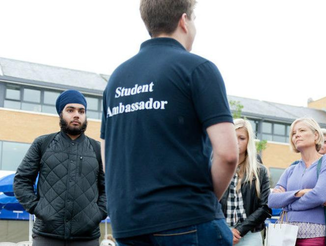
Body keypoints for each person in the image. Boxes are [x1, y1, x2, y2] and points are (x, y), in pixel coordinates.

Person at [100, 0, 238, 245]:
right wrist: (205, 201)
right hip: (186, 218)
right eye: (194, 19)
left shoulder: (116, 78)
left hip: (128, 223)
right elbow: (228, 154)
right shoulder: (198, 68)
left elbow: (106, 153)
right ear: (184, 21)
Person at [13, 90, 107, 245]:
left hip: (87, 238)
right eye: (70, 110)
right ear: (61, 113)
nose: (76, 115)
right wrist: (38, 208)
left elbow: (109, 188)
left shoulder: (97, 149)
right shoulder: (42, 144)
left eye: (81, 111)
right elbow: (21, 181)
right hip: (46, 236)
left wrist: (98, 213)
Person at [268, 117, 326, 246]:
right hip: (285, 235)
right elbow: (272, 200)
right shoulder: (291, 170)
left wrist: (288, 204)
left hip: (314, 235)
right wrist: (300, 193)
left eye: (301, 130)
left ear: (316, 135)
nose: (297, 135)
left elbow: (319, 195)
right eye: (294, 133)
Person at [219, 119, 271, 245]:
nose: (236, 141)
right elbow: (209, 201)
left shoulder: (260, 171)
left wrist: (239, 230)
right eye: (232, 136)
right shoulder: (216, 167)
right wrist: (224, 229)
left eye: (241, 138)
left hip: (250, 233)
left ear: (249, 142)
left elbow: (265, 207)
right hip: (220, 231)